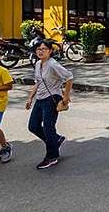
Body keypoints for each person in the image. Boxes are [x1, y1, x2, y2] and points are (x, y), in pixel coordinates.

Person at [26, 39, 73, 170]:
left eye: (43, 49)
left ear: (50, 51)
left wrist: (66, 97)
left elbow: (69, 77)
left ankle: (52, 156)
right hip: (40, 99)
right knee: (33, 126)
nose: (40, 51)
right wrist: (30, 98)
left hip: (52, 98)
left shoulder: (53, 64)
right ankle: (56, 140)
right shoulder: (37, 64)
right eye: (38, 49)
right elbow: (38, 82)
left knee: (48, 127)